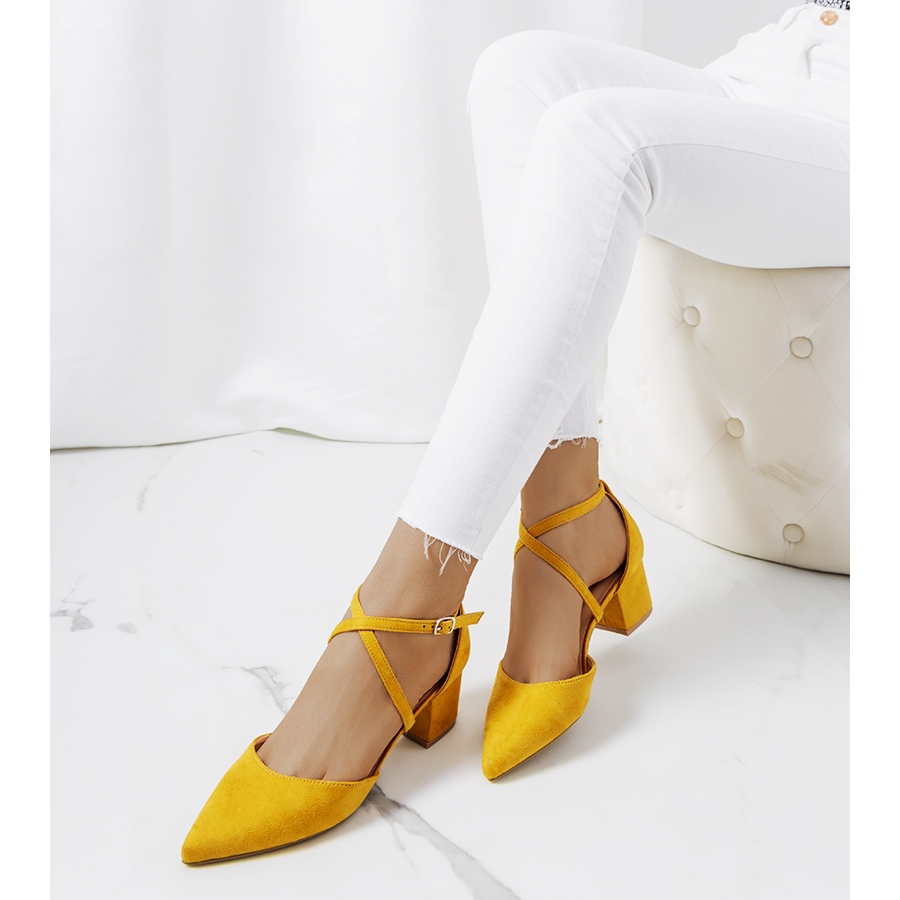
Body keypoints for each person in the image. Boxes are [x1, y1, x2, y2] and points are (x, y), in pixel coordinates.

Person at [181, 1, 850, 864]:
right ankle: (568, 520)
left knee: (603, 137)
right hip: (786, 59)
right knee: (517, 72)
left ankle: (404, 614)